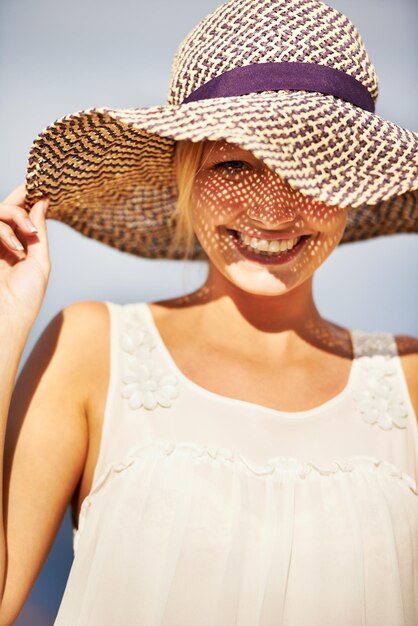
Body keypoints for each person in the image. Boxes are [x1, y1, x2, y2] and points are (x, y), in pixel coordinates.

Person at [1, 0, 418, 623]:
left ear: (351, 185)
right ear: (183, 169)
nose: (274, 209)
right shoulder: (90, 349)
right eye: (233, 163)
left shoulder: (410, 381)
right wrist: (5, 324)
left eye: (309, 164)